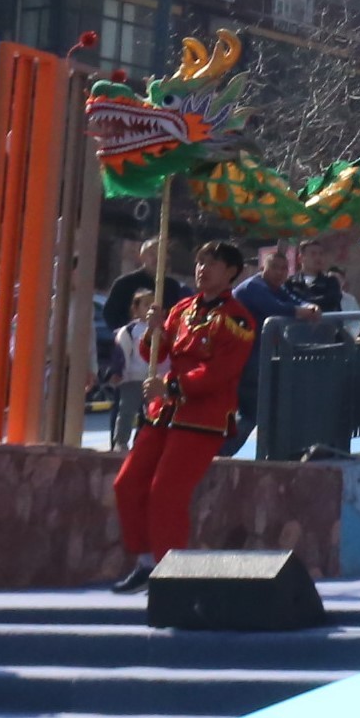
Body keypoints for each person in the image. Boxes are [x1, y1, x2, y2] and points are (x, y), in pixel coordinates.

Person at [109, 243, 259, 592]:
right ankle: (146, 562)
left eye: (212, 263)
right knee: (127, 483)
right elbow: (155, 352)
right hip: (165, 413)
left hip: (202, 417)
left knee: (166, 491)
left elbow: (219, 372)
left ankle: (170, 571)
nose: (202, 268)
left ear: (231, 272)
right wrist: (154, 330)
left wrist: (170, 386)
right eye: (200, 262)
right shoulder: (182, 308)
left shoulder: (238, 320)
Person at [225, 244, 323, 456]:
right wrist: (301, 312)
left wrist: (309, 307)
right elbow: (275, 307)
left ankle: (278, 452)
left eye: (284, 268)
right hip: (244, 359)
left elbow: (293, 300)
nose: (280, 273)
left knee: (269, 408)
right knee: (251, 412)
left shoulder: (276, 288)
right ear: (263, 268)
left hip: (258, 357)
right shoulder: (253, 287)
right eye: (275, 267)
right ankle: (219, 454)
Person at [109, 287, 156, 452]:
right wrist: (118, 371)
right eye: (146, 305)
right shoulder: (130, 331)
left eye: (153, 305)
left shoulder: (160, 330)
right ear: (135, 309)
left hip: (153, 379)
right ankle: (121, 442)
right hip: (132, 377)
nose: (150, 309)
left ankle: (145, 443)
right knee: (127, 411)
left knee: (152, 413)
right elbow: (121, 352)